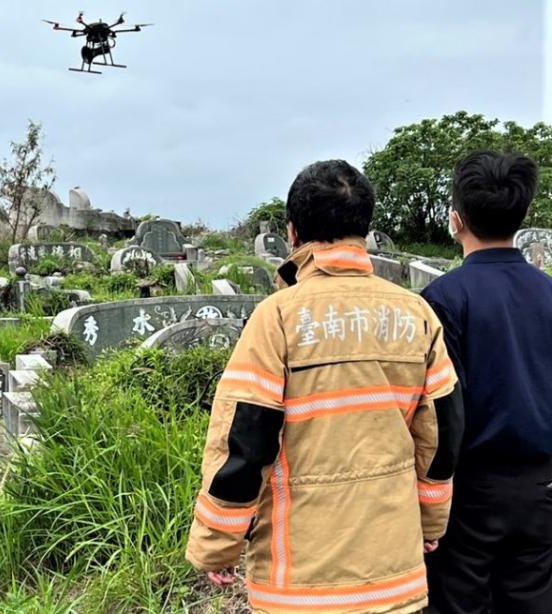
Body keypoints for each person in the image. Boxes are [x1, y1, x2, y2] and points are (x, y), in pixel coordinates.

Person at [185, 160, 464, 614]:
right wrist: (431, 522)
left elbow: (243, 442)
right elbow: (442, 435)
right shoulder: (415, 315)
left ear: (293, 233)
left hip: (296, 583)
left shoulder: (276, 318)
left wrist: (218, 543)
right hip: (392, 574)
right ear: (366, 230)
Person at [421, 151, 552, 614]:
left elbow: (440, 409)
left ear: (456, 220)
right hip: (541, 486)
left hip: (468, 490)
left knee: (459, 602)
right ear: (521, 216)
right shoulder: (547, 292)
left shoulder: (442, 299)